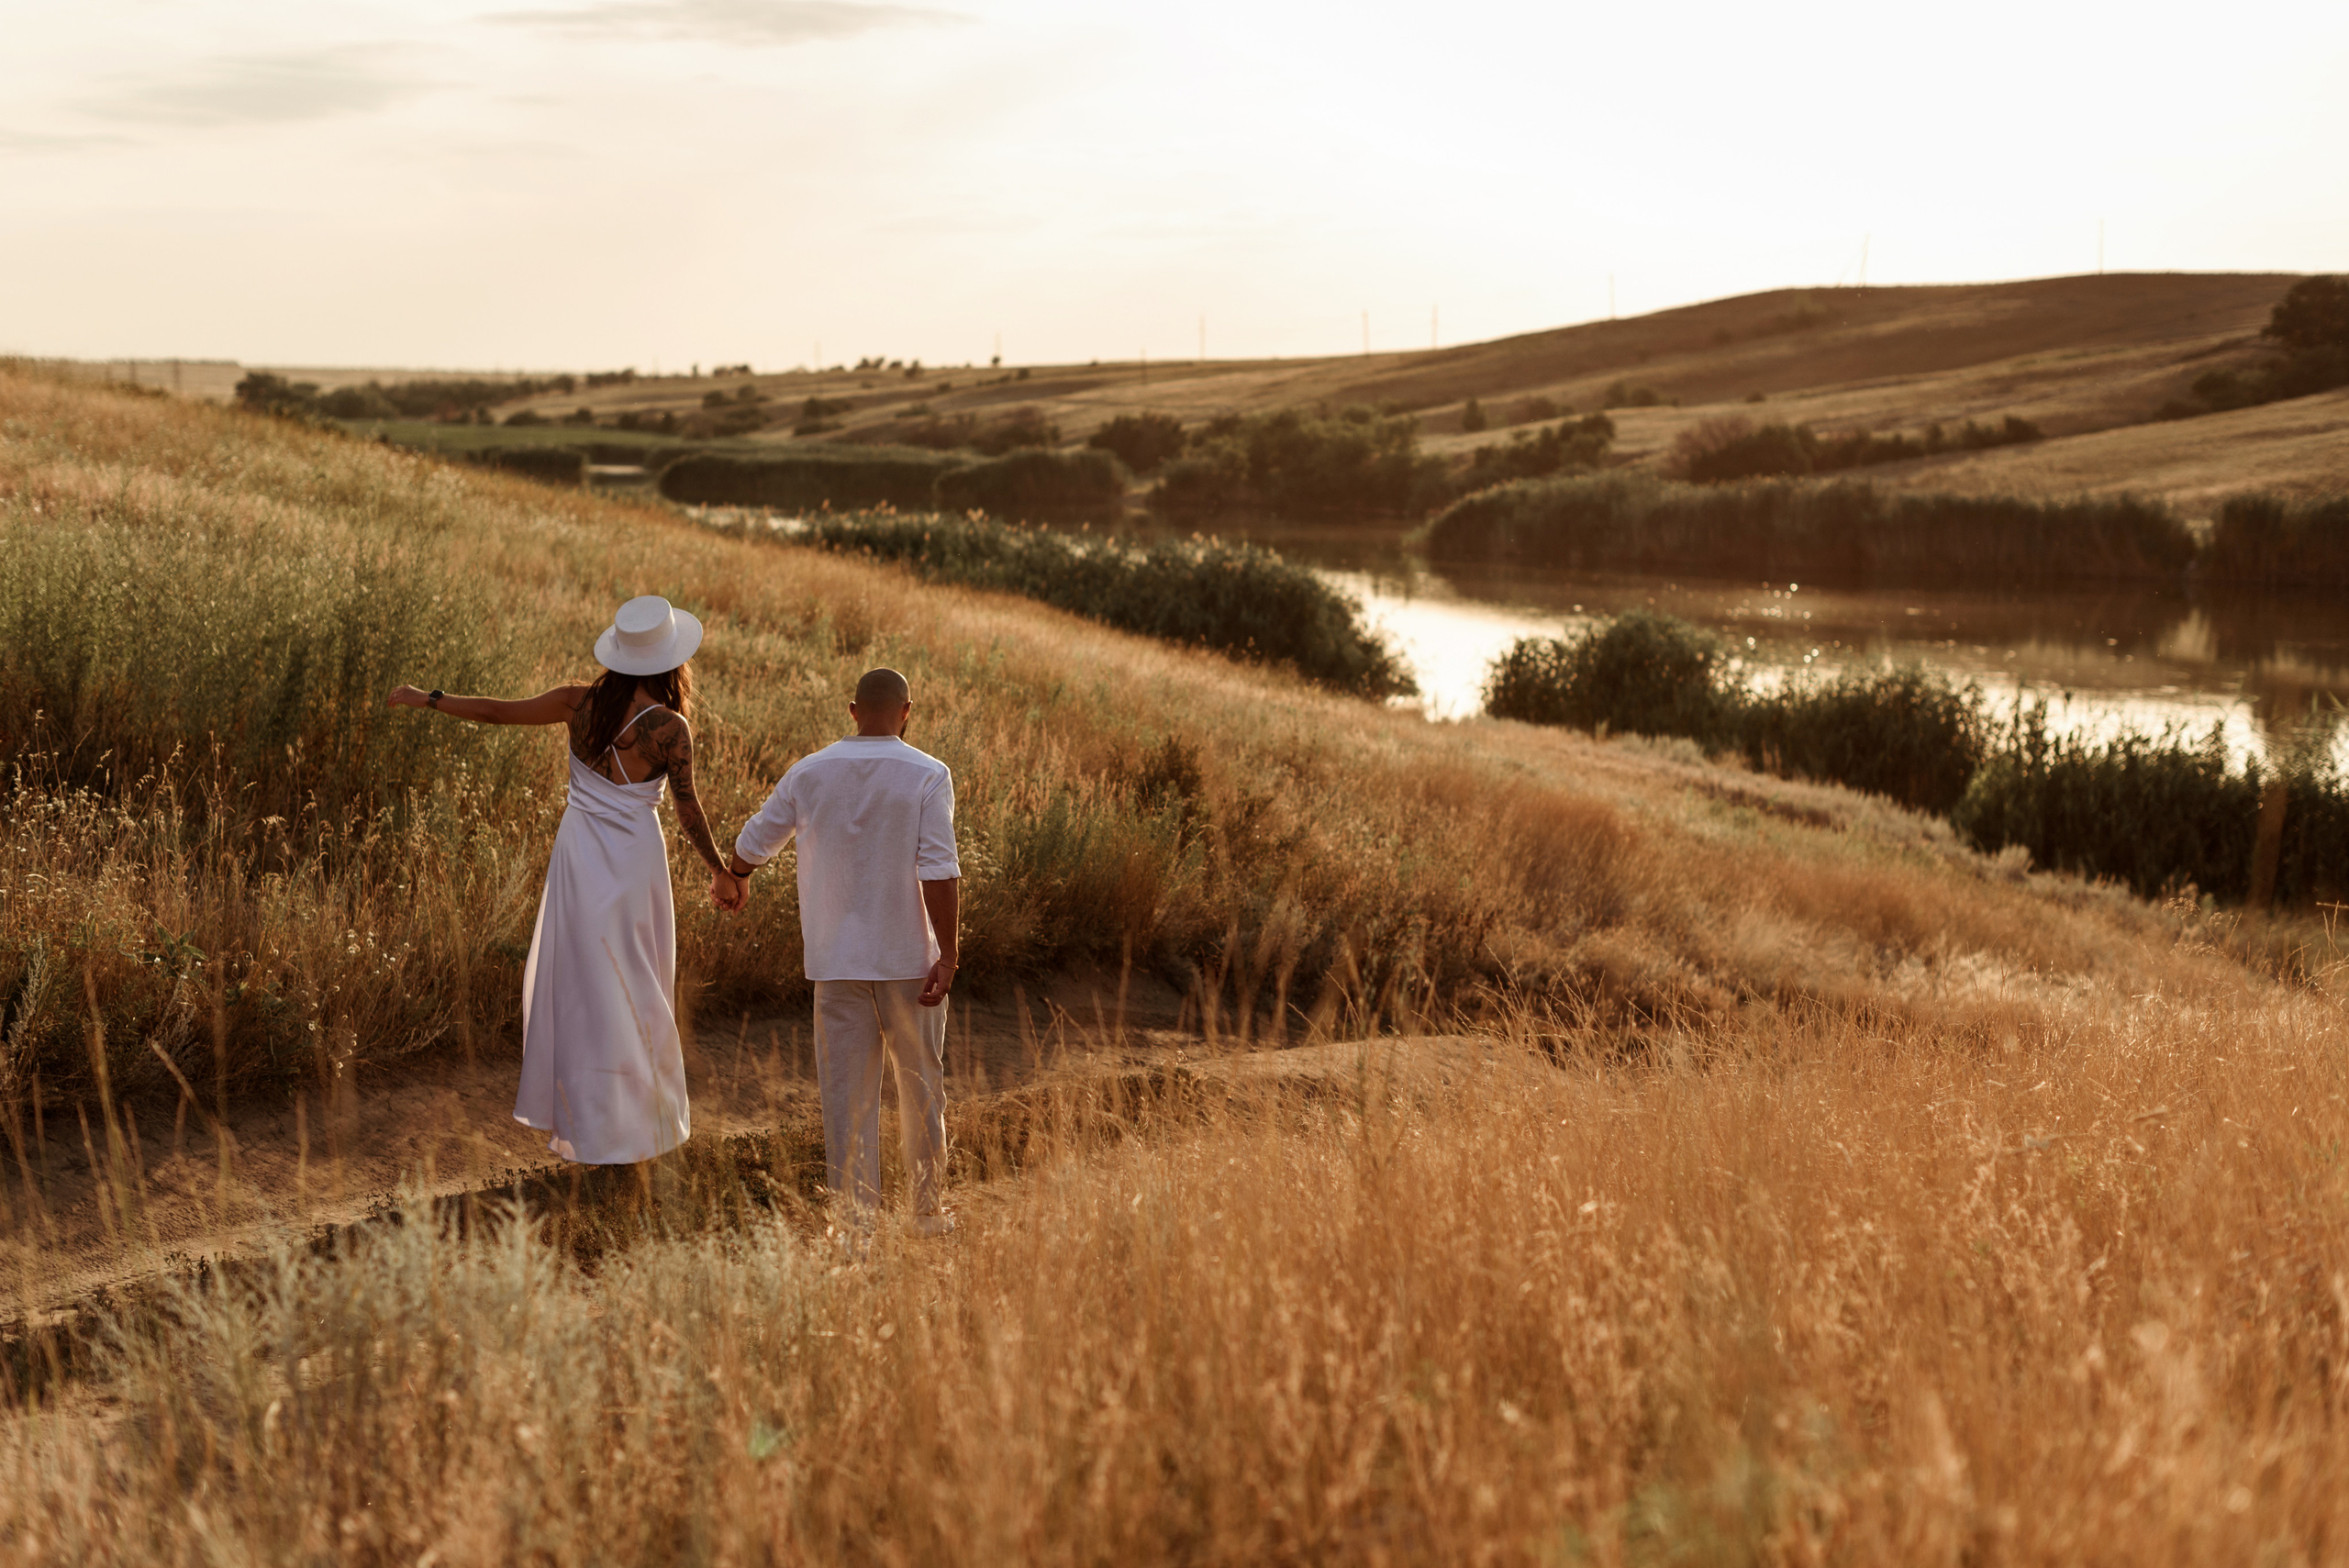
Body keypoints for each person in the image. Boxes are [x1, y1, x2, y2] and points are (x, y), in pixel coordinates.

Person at [387, 595, 734, 1163]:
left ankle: (592, 1122)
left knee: (584, 984)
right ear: (672, 661)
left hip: (579, 855)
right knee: (638, 982)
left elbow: (497, 712)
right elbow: (688, 810)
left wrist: (429, 699)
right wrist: (720, 872)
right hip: (634, 863)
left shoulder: (579, 703)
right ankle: (640, 1126)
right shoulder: (670, 728)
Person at [716, 667, 960, 1235]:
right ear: (907, 711)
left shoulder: (809, 772)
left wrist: (738, 875)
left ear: (853, 710)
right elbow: (939, 870)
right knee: (923, 1087)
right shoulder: (928, 774)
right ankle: (925, 1214)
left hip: (836, 964)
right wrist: (947, 955)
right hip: (908, 964)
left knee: (846, 1100)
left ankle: (854, 1227)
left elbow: (753, 842)